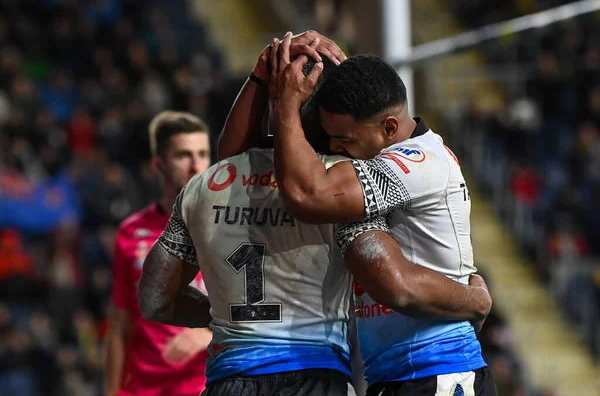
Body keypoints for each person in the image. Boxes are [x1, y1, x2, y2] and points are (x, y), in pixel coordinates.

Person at [138, 32, 491, 396]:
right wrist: (475, 301)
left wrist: (233, 316)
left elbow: (154, 298)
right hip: (320, 380)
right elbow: (393, 283)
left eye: (346, 139)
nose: (341, 147)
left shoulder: (205, 186)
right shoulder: (338, 188)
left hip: (230, 379)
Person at [270, 49, 498, 395]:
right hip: (400, 373)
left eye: (345, 139)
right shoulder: (384, 152)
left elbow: (308, 196)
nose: (335, 147)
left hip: (436, 370)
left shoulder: (419, 160)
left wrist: (285, 105)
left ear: (389, 127)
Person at [105, 111, 212, 396]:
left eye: (203, 154)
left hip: (205, 385)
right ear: (159, 164)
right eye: (183, 155)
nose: (196, 165)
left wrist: (207, 333)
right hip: (143, 388)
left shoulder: (230, 227)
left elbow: (262, 310)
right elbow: (120, 323)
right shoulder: (131, 232)